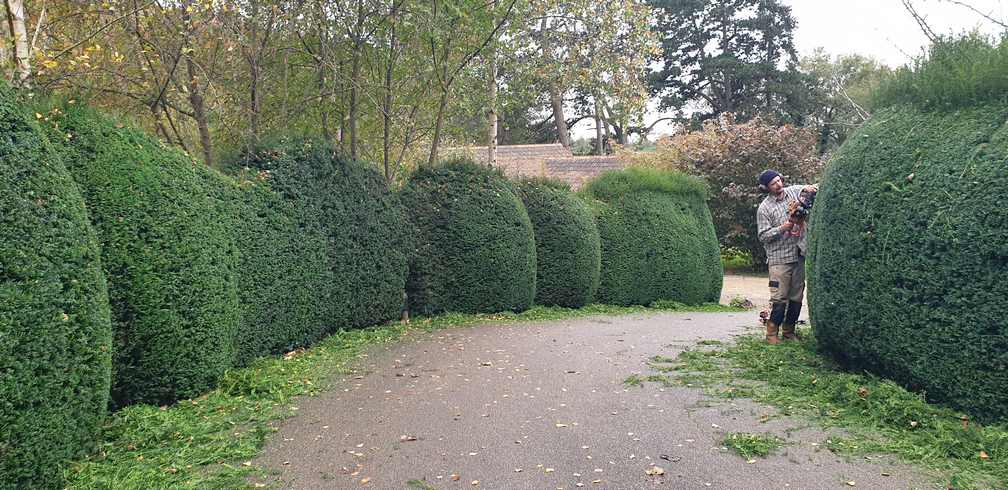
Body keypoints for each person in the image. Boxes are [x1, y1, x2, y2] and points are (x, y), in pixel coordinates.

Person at [756, 169, 817, 345]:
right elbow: (763, 236)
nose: (779, 185)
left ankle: (789, 331)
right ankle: (771, 334)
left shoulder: (792, 192)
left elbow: (808, 189)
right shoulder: (764, 208)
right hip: (779, 258)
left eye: (779, 180)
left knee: (796, 296)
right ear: (766, 187)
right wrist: (783, 227)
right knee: (779, 297)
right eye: (773, 183)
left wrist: (811, 189)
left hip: (798, 253)